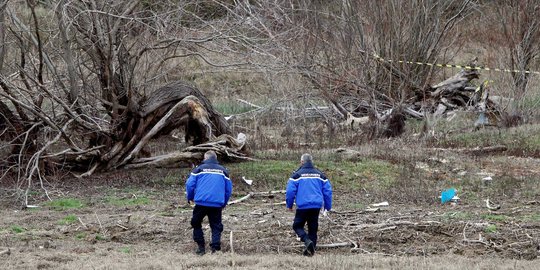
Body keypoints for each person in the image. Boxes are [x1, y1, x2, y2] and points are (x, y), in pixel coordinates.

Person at [185, 150, 232, 255]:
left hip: (201, 203)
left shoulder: (199, 169)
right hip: (216, 204)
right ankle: (215, 249)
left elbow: (189, 184)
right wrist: (224, 202)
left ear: (205, 158)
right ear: (216, 158)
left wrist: (190, 197)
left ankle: (201, 248)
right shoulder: (223, 171)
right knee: (216, 226)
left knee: (196, 223)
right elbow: (228, 189)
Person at [286, 153, 332, 256]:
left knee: (297, 226)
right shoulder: (320, 175)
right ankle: (310, 252)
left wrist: (289, 205)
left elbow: (290, 192)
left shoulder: (296, 175)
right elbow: (328, 192)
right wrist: (327, 207)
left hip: (302, 206)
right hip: (316, 206)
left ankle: (307, 241)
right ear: (311, 161)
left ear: (302, 162)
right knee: (313, 229)